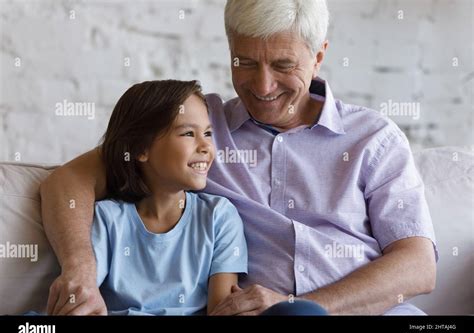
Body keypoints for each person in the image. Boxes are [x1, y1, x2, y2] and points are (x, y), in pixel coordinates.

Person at [40, 0, 437, 316]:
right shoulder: (196, 126)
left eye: (283, 65)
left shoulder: (373, 139)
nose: (262, 86)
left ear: (318, 57)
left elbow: (418, 265)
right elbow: (67, 182)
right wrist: (81, 272)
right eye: (245, 62)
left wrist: (304, 307)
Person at [48, 79, 248, 315]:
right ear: (140, 149)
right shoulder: (108, 218)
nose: (205, 145)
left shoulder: (219, 217)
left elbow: (222, 310)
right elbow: (85, 296)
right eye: (188, 133)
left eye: (207, 133)